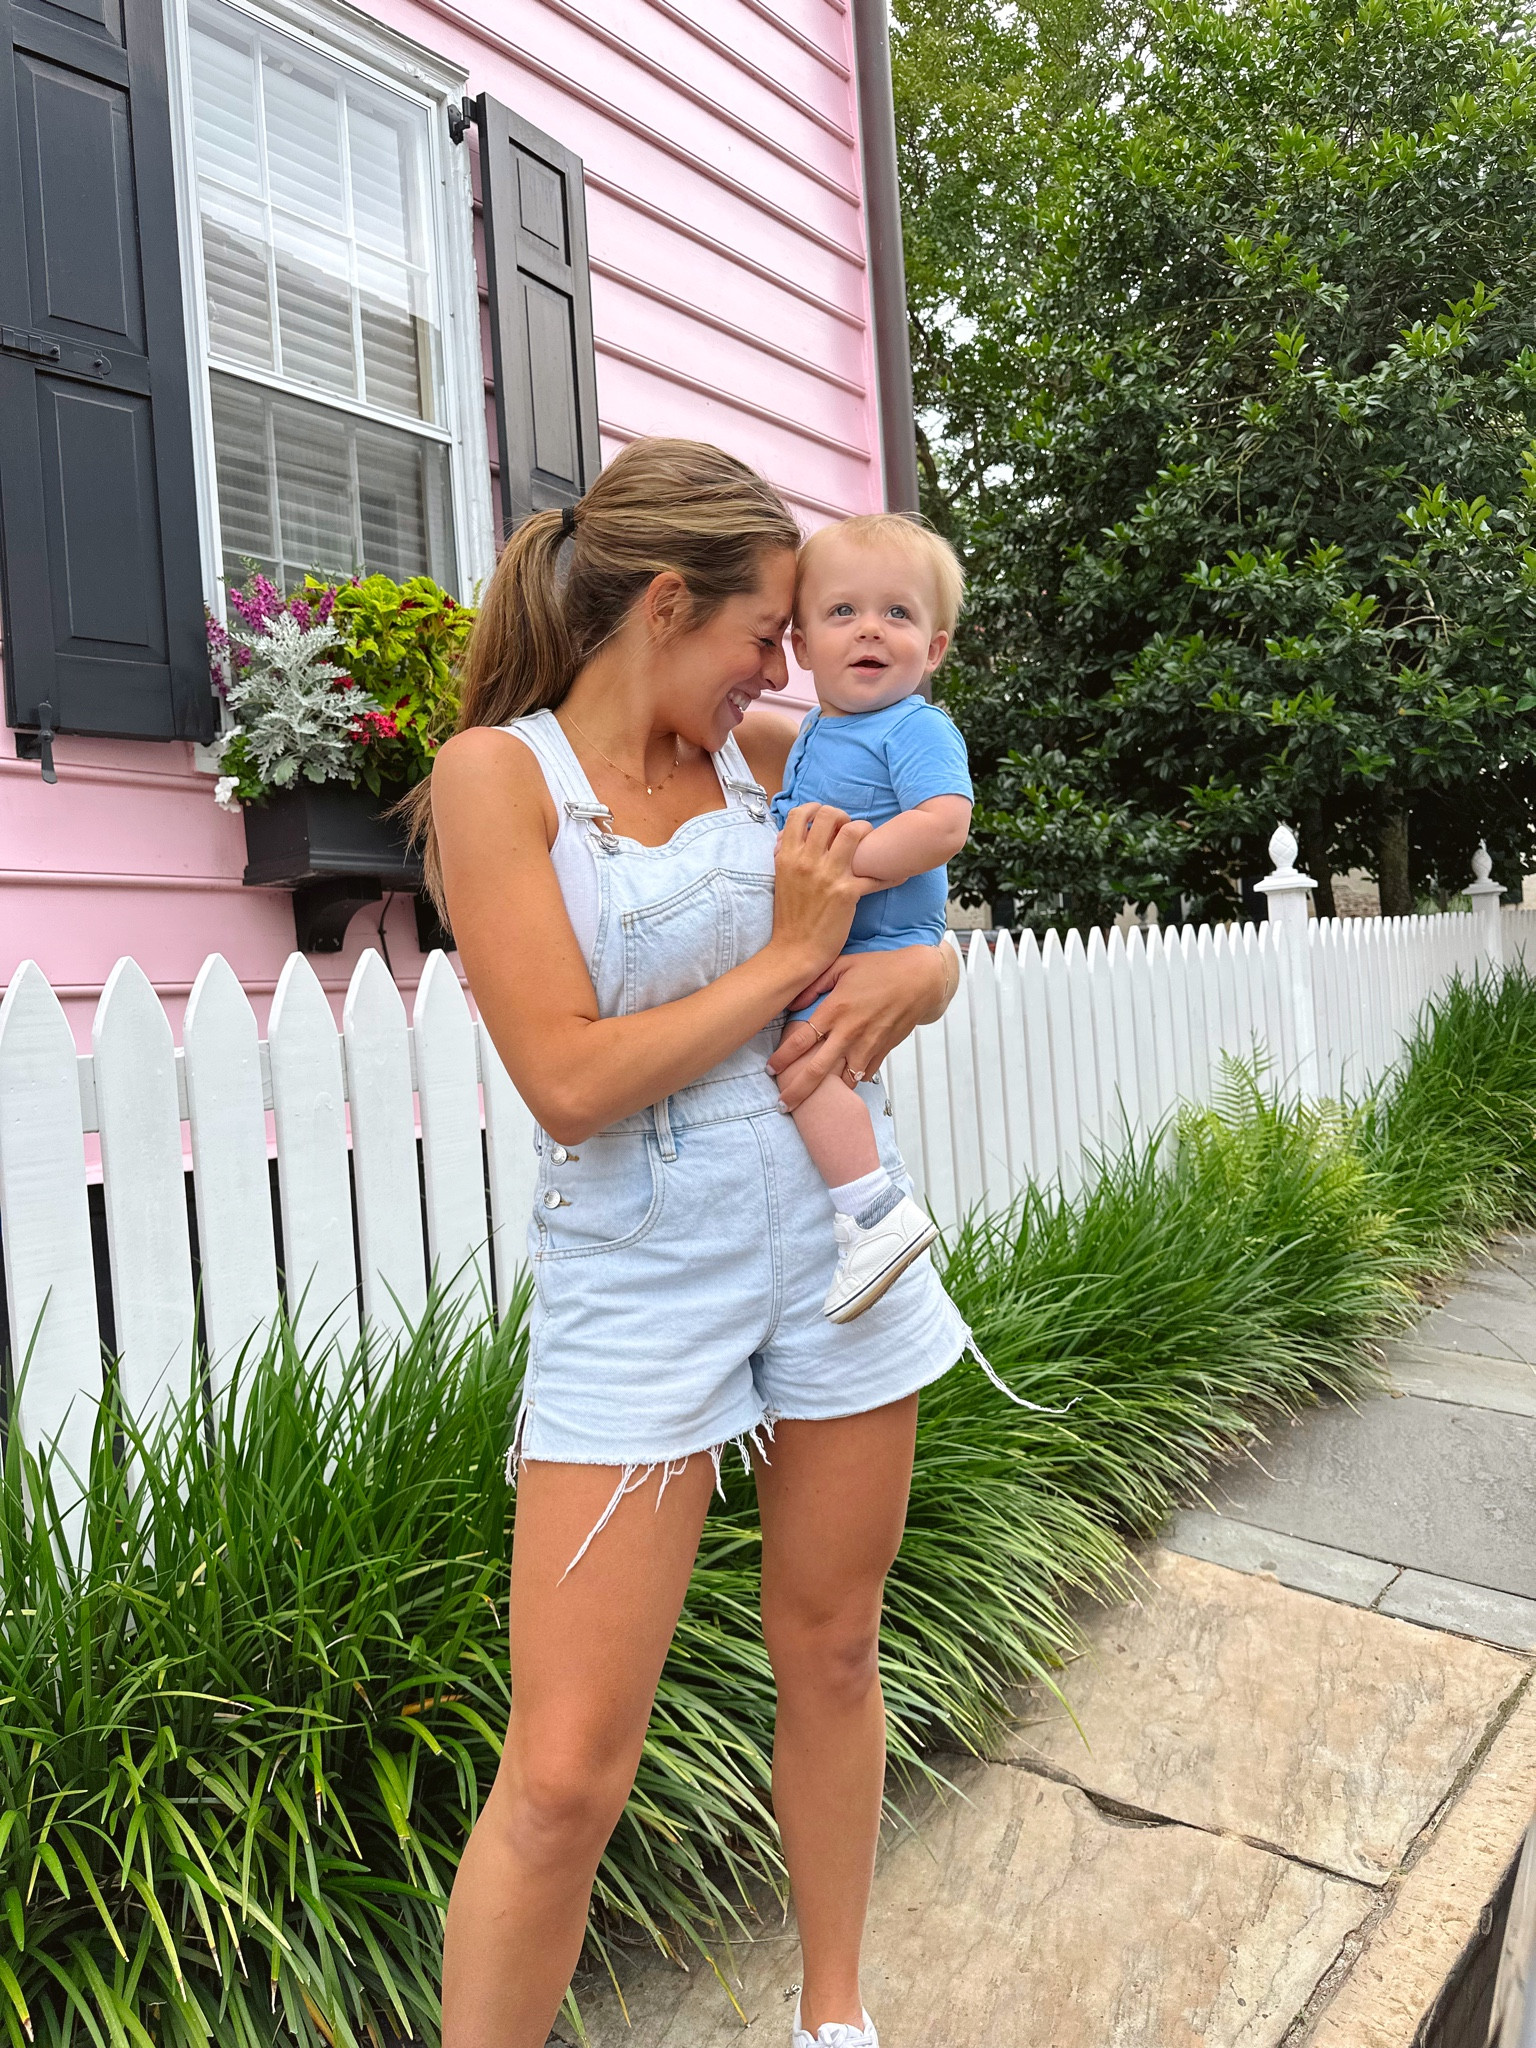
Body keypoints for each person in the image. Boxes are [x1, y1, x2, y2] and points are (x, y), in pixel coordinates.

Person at [418, 438, 972, 2048]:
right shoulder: (501, 779)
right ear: (667, 604)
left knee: (836, 1647)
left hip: (837, 1247)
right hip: (644, 1272)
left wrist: (930, 974)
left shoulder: (768, 754)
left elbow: (920, 875)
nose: (781, 670)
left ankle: (836, 2018)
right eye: (763, 634)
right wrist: (789, 956)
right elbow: (571, 1081)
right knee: (564, 1772)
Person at [772, 515, 972, 1324]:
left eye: (898, 613)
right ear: (800, 645)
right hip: (845, 941)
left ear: (934, 649)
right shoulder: (814, 728)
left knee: (807, 1072)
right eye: (842, 611)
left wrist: (846, 874)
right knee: (822, 1067)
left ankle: (875, 1214)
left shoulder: (915, 725)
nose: (870, 630)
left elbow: (944, 823)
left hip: (882, 939)